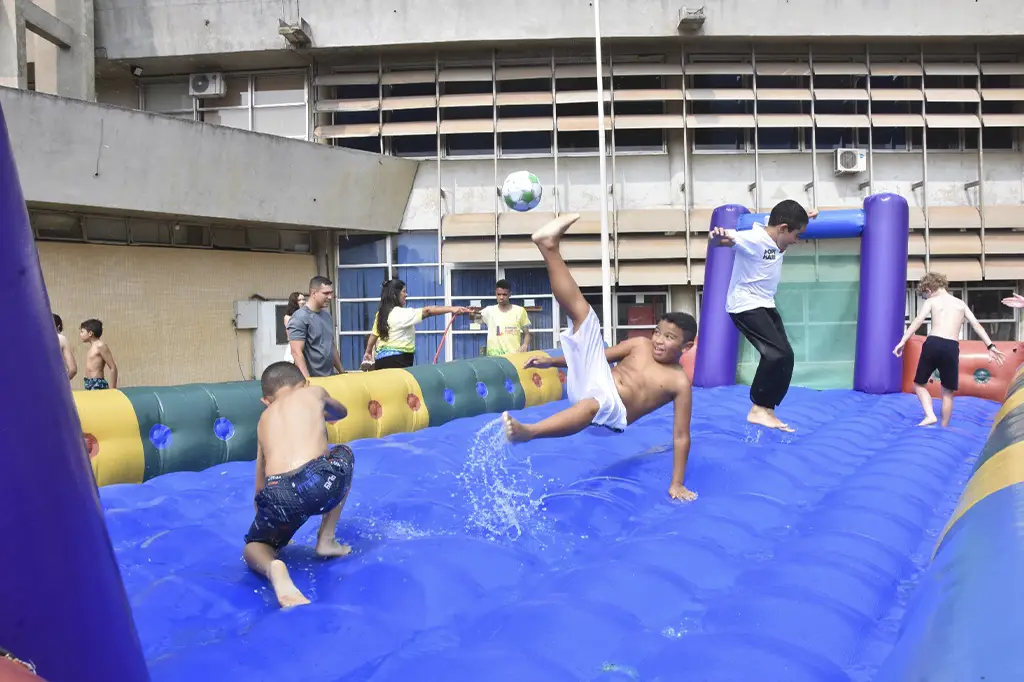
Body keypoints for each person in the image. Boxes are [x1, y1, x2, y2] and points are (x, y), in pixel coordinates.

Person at [502, 214, 699, 501]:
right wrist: (552, 361)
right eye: (658, 332)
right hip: (597, 381)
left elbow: (681, 436)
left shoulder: (679, 383)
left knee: (595, 404)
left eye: (669, 338)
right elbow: (597, 356)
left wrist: (677, 483)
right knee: (585, 317)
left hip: (612, 416)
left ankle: (528, 432)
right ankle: (548, 247)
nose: (658, 340)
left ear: (686, 346)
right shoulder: (640, 344)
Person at [243, 361, 354, 608]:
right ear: (304, 382)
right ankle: (326, 539)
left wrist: (268, 522)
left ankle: (273, 569)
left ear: (266, 401)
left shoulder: (263, 420)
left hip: (277, 493)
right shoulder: (313, 392)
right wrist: (325, 410)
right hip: (318, 480)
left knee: (254, 546)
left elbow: (260, 483)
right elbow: (341, 412)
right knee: (344, 452)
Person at [710, 199, 817, 432]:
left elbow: (785, 219)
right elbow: (724, 240)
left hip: (765, 304)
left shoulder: (775, 231)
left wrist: (808, 216)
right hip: (745, 305)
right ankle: (758, 408)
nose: (796, 241)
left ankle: (768, 409)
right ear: (783, 229)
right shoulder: (753, 239)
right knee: (775, 354)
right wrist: (718, 235)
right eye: (796, 235)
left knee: (786, 356)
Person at [894, 272, 1006, 427]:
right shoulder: (960, 304)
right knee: (947, 392)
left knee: (919, 384)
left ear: (929, 288)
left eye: (925, 293)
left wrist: (902, 341)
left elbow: (918, 321)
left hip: (933, 343)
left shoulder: (932, 301)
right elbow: (976, 325)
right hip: (951, 347)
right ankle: (944, 427)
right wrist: (990, 346)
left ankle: (930, 415)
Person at [362, 278, 474, 370]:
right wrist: (452, 309)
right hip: (398, 361)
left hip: (381, 361)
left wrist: (368, 352)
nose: (406, 294)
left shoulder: (381, 314)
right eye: (404, 291)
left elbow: (374, 335)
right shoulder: (401, 314)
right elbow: (428, 311)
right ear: (395, 294)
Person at [288, 276, 345, 378]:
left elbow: (330, 346)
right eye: (326, 293)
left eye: (331, 293)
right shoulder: (299, 317)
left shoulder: (327, 315)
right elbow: (296, 352)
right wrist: (308, 380)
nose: (330, 297)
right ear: (313, 293)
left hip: (329, 378)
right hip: (312, 380)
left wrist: (342, 372)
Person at [474, 279, 532, 356]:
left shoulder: (519, 311)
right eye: (499, 294)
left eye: (504, 294)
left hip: (513, 357)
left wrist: (525, 345)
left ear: (510, 294)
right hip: (494, 358)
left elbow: (527, 334)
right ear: (496, 294)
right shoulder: (488, 310)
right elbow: (475, 318)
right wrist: (471, 313)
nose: (501, 297)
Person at [79, 318, 117, 390]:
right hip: (89, 383)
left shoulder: (100, 346)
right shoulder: (92, 347)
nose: (80, 334)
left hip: (97, 383)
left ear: (90, 333)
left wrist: (113, 389)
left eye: (82, 332)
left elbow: (113, 367)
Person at [282, 291, 306, 363]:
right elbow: (289, 335)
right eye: (299, 300)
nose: (302, 302)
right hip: (295, 344)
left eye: (303, 299)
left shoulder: (306, 314)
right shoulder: (288, 317)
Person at [54, 314, 77, 381]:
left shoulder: (35, 338)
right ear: (58, 327)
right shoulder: (61, 338)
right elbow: (73, 369)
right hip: (55, 383)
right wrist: (62, 384)